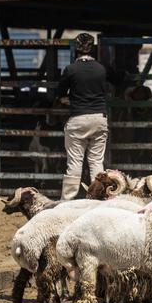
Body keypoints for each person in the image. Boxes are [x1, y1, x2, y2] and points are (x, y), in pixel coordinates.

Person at [57, 33, 110, 200]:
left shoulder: (71, 69)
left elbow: (58, 93)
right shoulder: (101, 69)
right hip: (99, 118)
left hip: (78, 119)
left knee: (74, 162)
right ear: (93, 48)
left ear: (76, 49)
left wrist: (68, 99)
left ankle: (68, 200)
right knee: (96, 161)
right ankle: (99, 198)